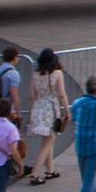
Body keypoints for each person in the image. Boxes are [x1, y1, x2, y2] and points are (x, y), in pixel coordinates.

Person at [21, 51, 63, 182]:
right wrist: (67, 110)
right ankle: (34, 174)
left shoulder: (35, 75)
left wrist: (32, 114)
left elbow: (32, 96)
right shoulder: (57, 74)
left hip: (39, 109)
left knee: (47, 140)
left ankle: (50, 170)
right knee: (48, 141)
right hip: (51, 109)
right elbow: (62, 94)